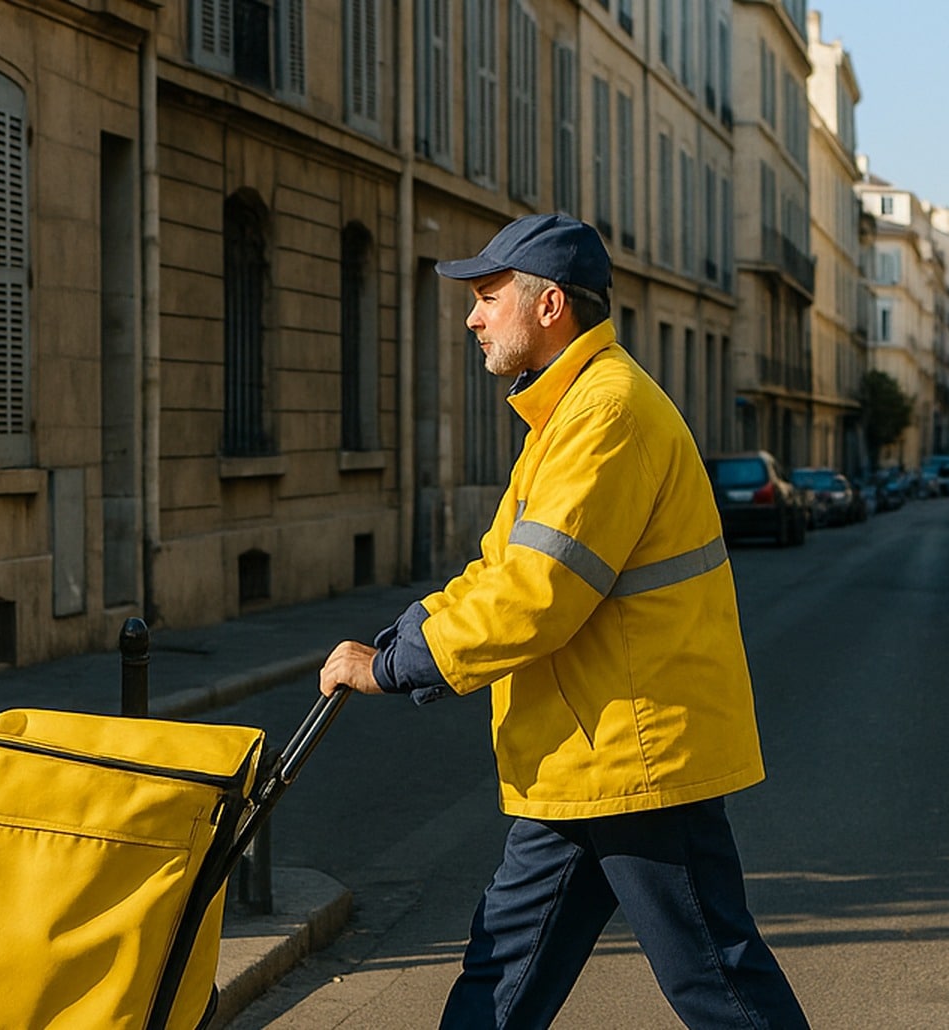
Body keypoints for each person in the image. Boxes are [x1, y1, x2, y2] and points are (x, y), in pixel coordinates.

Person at [319, 213, 808, 1029]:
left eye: (487, 296)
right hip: (582, 759)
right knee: (499, 980)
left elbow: (535, 594)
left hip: (636, 757)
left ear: (550, 308)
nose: (472, 317)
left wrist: (395, 667)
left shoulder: (605, 414)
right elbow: (499, 568)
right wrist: (402, 636)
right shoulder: (566, 412)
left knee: (718, 987)